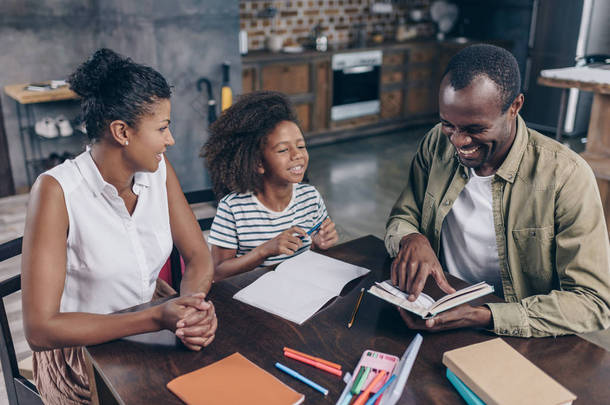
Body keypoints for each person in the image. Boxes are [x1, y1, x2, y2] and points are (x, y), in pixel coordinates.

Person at [21, 49, 218, 404]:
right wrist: (156, 317)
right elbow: (39, 329)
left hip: (151, 329)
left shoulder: (159, 170)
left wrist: (190, 311)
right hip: (82, 352)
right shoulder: (55, 192)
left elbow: (198, 257)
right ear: (121, 132)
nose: (170, 139)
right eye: (162, 128)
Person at [385, 44, 610, 338]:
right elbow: (404, 215)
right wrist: (410, 237)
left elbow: (593, 302)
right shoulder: (434, 144)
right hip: (439, 312)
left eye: (476, 129)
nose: (459, 141)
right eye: (448, 125)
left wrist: (486, 315)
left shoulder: (565, 175)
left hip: (518, 331)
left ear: (514, 107)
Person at [203, 91, 339, 280]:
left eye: (301, 146)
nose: (297, 155)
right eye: (283, 149)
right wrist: (265, 250)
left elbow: (313, 258)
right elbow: (218, 273)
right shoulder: (233, 208)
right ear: (258, 162)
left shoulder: (310, 197)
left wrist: (319, 245)